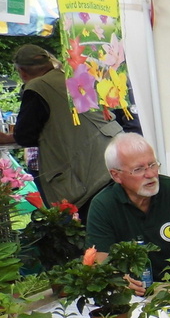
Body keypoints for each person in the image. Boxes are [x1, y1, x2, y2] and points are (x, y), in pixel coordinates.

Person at [0, 44, 123, 220]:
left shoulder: (38, 86)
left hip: (90, 172)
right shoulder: (69, 76)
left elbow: (25, 135)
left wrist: (5, 138)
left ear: (22, 72)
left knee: (95, 227)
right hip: (115, 154)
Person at [86, 133, 170, 285]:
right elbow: (101, 262)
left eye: (153, 164)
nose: (150, 174)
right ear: (116, 175)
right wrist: (121, 284)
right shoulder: (103, 205)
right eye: (138, 169)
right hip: (128, 291)